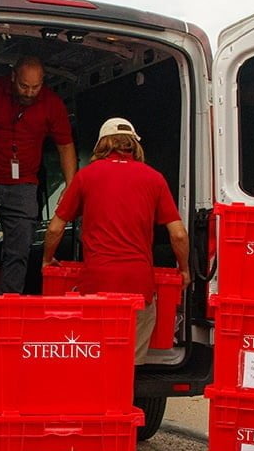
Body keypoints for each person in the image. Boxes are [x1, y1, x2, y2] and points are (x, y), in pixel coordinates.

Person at [42, 117, 190, 363]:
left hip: (95, 284)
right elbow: (179, 234)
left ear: (102, 145)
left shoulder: (86, 176)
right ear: (134, 145)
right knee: (125, 366)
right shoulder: (154, 178)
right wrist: (184, 270)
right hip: (138, 285)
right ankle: (120, 397)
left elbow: (56, 228)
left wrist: (47, 260)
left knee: (95, 358)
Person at [0, 56, 77, 309]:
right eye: (24, 86)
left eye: (35, 87)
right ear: (13, 77)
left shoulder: (52, 103)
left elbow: (66, 146)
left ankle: (9, 304)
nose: (29, 93)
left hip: (24, 184)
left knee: (19, 248)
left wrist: (71, 186)